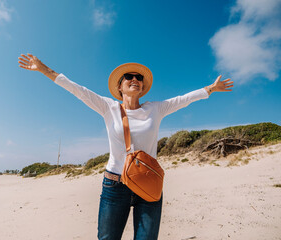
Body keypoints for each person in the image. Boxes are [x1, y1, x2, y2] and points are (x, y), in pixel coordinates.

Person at [18, 53, 233, 239]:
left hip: (148, 184)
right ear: (119, 86)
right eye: (128, 77)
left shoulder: (155, 109)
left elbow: (183, 99)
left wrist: (210, 89)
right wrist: (43, 69)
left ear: (142, 86)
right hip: (115, 186)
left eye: (138, 78)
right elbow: (78, 90)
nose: (135, 79)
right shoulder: (108, 107)